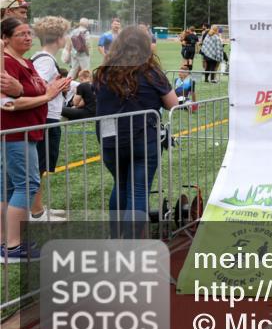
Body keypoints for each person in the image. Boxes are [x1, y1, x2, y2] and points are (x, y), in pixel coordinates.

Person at [93, 26, 178, 228]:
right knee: (138, 191)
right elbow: (173, 103)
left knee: (120, 185)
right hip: (143, 137)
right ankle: (133, 245)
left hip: (110, 138)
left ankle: (117, 240)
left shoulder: (103, 72)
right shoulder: (151, 72)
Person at [1, 18, 71, 260]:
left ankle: (6, 243)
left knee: (8, 188)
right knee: (27, 185)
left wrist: (51, 88)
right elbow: (8, 104)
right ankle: (13, 245)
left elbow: (32, 91)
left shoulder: (25, 62)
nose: (28, 37)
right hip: (16, 132)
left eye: (29, 33)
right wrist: (48, 95)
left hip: (25, 131)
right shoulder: (8, 63)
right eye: (21, 34)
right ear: (6, 38)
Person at [28, 16, 73, 222]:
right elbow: (38, 89)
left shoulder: (42, 58)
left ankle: (38, 207)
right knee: (39, 166)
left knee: (41, 165)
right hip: (46, 119)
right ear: (59, 38)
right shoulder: (46, 60)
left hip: (46, 117)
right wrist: (57, 88)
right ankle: (36, 211)